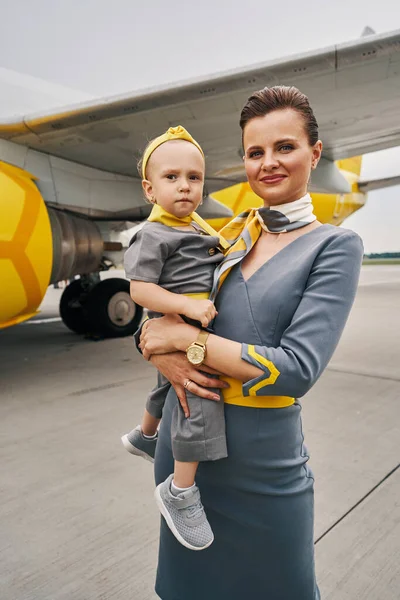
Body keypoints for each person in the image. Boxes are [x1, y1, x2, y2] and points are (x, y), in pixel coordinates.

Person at [138, 86, 364, 600]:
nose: (268, 163)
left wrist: (186, 344)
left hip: (264, 464)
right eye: (254, 152)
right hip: (188, 457)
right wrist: (160, 349)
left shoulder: (334, 246)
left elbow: (296, 368)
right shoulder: (226, 236)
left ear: (315, 153)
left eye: (284, 147)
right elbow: (158, 319)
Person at [122, 125, 230, 551]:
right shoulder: (152, 234)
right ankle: (180, 491)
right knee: (196, 398)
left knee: (167, 384)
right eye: (171, 177)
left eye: (194, 177)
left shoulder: (196, 229)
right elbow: (139, 290)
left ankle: (144, 435)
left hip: (188, 326)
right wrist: (187, 309)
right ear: (149, 189)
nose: (184, 186)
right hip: (183, 325)